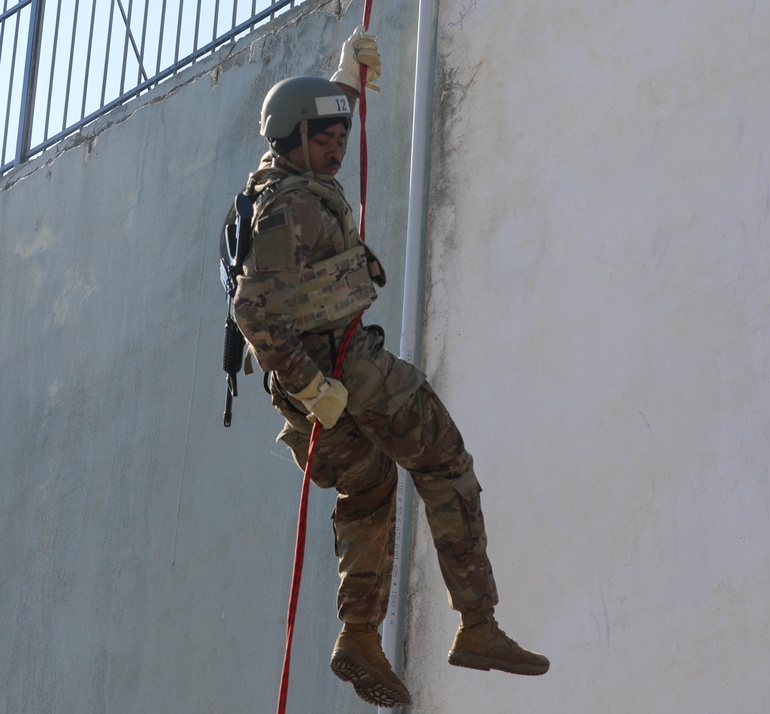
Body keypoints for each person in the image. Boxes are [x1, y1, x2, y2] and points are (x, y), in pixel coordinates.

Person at [231, 26, 549, 708]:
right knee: (444, 461)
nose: (337, 147)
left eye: (340, 136)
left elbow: (310, 124)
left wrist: (344, 81)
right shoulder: (292, 208)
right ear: (290, 142)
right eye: (324, 139)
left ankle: (359, 636)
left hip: (319, 389)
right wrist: (314, 386)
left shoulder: (284, 181)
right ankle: (479, 623)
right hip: (344, 371)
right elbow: (252, 310)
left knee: (369, 491)